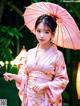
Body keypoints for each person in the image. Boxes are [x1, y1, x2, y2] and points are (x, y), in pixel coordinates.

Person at [4, 14, 69, 106]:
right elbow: (25, 77)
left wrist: (45, 85)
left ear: (53, 33)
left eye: (47, 32)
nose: (41, 35)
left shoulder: (58, 55)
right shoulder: (29, 53)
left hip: (46, 98)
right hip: (30, 98)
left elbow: (62, 80)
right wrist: (14, 76)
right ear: (35, 31)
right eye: (38, 31)